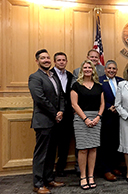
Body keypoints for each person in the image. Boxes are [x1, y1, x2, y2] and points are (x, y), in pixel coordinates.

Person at [28, 49, 65, 194]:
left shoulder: (53, 76)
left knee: (51, 153)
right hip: (43, 121)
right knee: (41, 153)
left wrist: (61, 111)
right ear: (37, 61)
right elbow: (40, 99)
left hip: (56, 121)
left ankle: (49, 178)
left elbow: (61, 95)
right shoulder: (35, 77)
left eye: (48, 58)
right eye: (43, 58)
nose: (46, 60)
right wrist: (55, 113)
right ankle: (38, 184)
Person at [71, 60, 105, 190]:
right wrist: (85, 118)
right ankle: (83, 176)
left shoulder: (98, 86)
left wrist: (98, 117)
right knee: (83, 149)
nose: (87, 69)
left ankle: (91, 176)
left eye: (89, 67)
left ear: (93, 70)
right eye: (85, 67)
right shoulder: (76, 85)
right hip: (81, 119)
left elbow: (102, 104)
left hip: (96, 119)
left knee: (93, 148)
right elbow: (74, 104)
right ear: (81, 70)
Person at [98, 60, 124, 181]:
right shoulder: (99, 81)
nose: (111, 70)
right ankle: (106, 169)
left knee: (116, 143)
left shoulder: (121, 81)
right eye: (109, 68)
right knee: (105, 144)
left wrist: (119, 108)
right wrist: (109, 106)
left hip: (119, 118)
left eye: (114, 68)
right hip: (106, 117)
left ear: (117, 70)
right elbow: (97, 97)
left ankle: (114, 166)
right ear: (105, 69)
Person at [50, 52, 74, 177]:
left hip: (68, 115)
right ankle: (48, 171)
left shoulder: (70, 75)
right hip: (53, 115)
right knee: (52, 144)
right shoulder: (48, 75)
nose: (61, 62)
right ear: (54, 62)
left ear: (66, 61)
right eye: (58, 60)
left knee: (65, 144)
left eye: (63, 60)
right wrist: (56, 112)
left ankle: (60, 169)